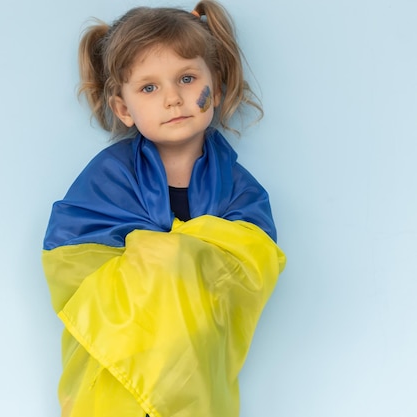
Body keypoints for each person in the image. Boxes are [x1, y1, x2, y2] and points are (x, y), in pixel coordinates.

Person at [41, 1, 286, 416]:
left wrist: (183, 256)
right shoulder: (108, 176)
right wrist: (172, 255)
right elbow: (73, 261)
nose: (173, 98)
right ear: (123, 109)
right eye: (149, 88)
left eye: (188, 79)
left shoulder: (238, 187)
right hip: (126, 360)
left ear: (218, 87)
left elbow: (253, 262)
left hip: (193, 361)